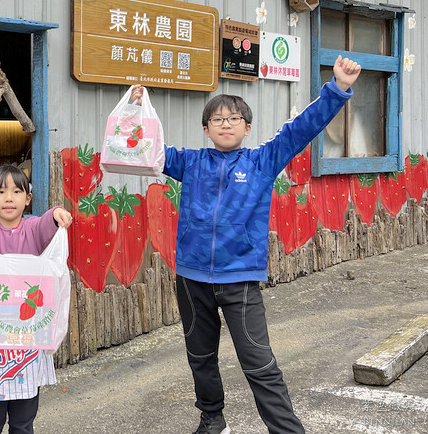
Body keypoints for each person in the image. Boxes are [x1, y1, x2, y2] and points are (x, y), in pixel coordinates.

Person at [133, 55, 361, 434]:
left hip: (239, 280)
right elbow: (148, 150)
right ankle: (212, 417)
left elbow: (300, 130)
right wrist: (139, 111)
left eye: (233, 118)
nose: (226, 123)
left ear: (248, 128)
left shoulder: (262, 161)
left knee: (258, 362)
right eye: (217, 119)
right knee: (200, 356)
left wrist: (336, 89)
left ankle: (287, 430)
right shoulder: (189, 162)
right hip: (191, 279)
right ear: (206, 129)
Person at [0, 164, 72, 434]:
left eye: (16, 191)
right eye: (0, 192)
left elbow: (47, 224)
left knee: (23, 423)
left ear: (28, 198)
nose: (8, 198)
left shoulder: (33, 229)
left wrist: (56, 213)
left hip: (27, 342)